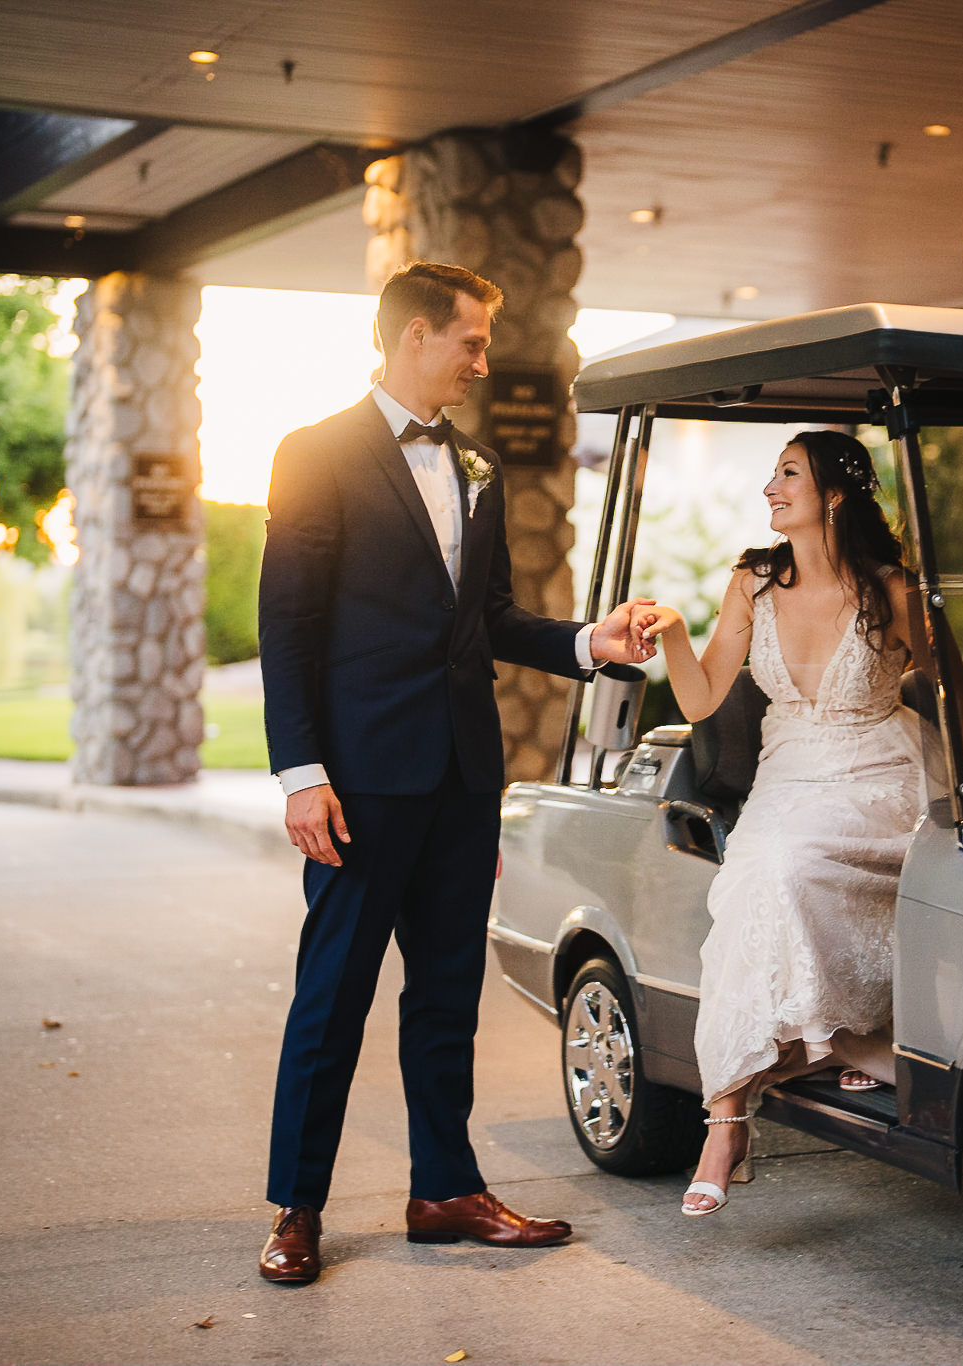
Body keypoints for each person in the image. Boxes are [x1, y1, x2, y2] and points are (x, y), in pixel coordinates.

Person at [255, 260, 653, 1283]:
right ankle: (296, 1206)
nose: (482, 361)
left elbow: (490, 621)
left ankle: (444, 1189)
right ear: (414, 335)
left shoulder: (479, 465)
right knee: (330, 997)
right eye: (470, 341)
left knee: (446, 996)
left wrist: (587, 644)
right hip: (359, 784)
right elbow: (288, 625)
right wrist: (303, 773)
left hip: (462, 782)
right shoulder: (313, 452)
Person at [637, 430, 938, 1217]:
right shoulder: (752, 581)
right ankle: (746, 1105)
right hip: (788, 774)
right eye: (773, 472)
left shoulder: (891, 588)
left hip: (877, 771)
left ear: (835, 494)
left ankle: (804, 1065)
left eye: (789, 474)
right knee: (758, 874)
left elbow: (947, 693)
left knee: (787, 868)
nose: (770, 487)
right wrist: (671, 627)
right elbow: (702, 700)